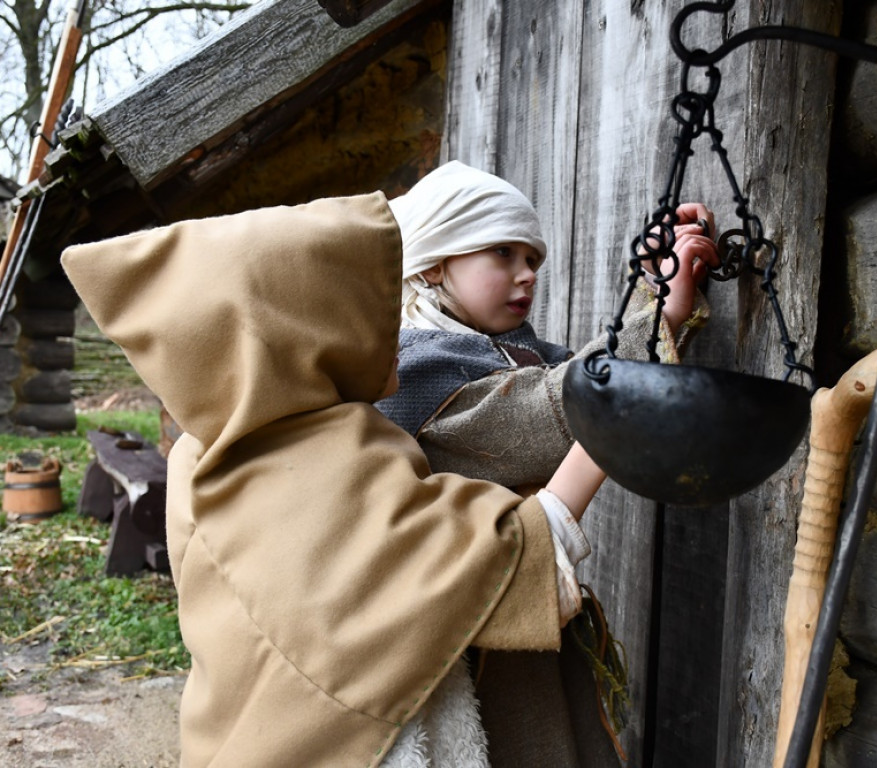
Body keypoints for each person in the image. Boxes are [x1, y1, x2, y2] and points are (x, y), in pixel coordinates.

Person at [59, 193, 611, 768]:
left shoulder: (207, 443)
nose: (388, 324)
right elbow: (476, 565)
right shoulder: (320, 453)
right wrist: (612, 421)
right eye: (362, 308)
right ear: (298, 324)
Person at [375, 161, 720, 766]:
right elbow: (553, 408)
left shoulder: (496, 348)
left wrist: (649, 288)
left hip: (516, 616)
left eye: (532, 258)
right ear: (433, 262)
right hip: (473, 638)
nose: (526, 273)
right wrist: (659, 315)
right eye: (502, 254)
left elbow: (587, 370)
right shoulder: (414, 369)